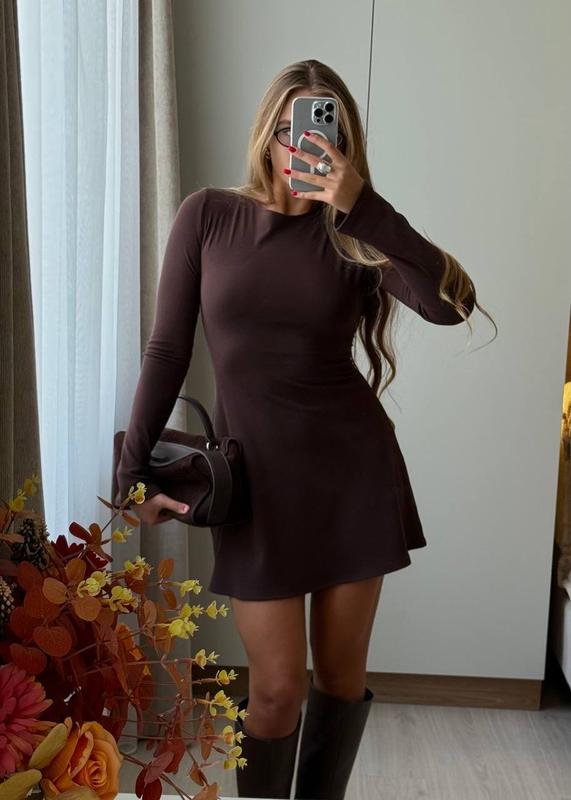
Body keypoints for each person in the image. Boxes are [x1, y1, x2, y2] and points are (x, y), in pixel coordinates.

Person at [115, 59, 495, 800]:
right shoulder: (207, 216)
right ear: (269, 131)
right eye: (294, 126)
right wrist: (132, 472)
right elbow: (167, 350)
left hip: (353, 476)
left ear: (344, 143)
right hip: (256, 487)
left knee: (341, 680)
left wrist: (362, 205)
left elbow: (450, 305)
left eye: (327, 130)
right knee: (275, 691)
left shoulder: (354, 233)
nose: (306, 143)